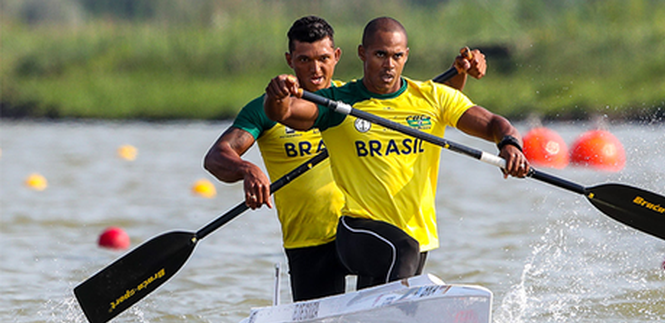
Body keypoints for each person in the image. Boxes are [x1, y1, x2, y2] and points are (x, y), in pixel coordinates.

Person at [204, 16, 487, 301]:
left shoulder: (351, 99)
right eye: (304, 60)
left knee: (389, 278)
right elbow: (217, 156)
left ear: (337, 56)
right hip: (312, 240)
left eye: (324, 58)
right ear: (290, 60)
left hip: (366, 231)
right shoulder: (271, 105)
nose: (315, 69)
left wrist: (459, 72)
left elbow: (422, 111)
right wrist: (247, 169)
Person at [264, 17, 529, 290]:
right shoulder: (338, 103)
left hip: (417, 233)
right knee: (402, 250)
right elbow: (283, 113)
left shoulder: (434, 98)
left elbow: (496, 124)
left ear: (406, 56)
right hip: (359, 230)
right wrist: (276, 96)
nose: (389, 64)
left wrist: (510, 145)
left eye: (396, 56)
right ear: (362, 54)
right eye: (380, 55)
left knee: (382, 294)